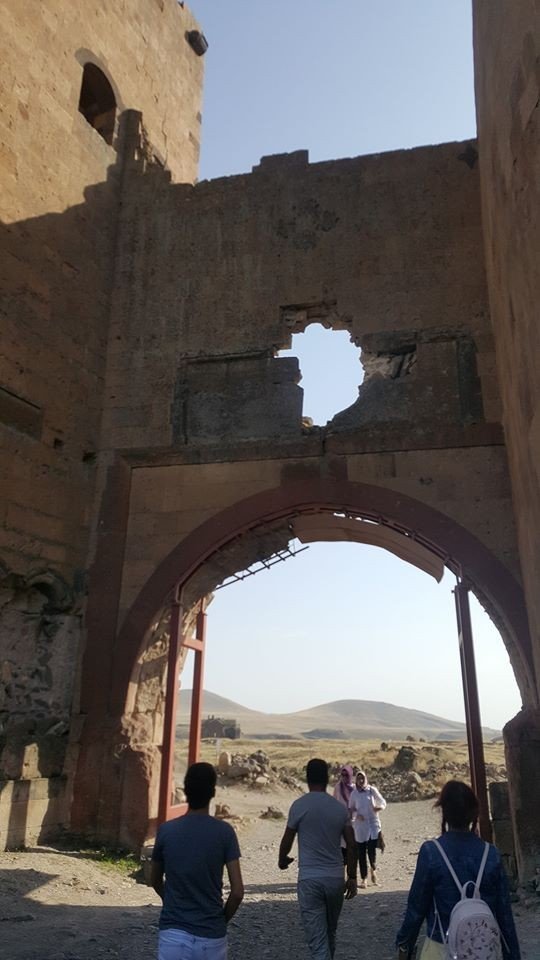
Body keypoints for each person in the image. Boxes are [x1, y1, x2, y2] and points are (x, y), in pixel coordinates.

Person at [395, 780, 521, 959]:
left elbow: (416, 908)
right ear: (473, 814)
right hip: (482, 950)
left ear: (444, 811)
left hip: (440, 946)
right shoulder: (490, 854)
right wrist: (513, 955)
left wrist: (404, 945)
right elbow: (504, 915)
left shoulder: (431, 852)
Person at [150, 762, 244, 960]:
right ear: (213, 792)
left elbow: (155, 879)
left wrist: (172, 902)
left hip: (173, 934)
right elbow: (237, 892)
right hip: (211, 937)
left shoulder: (166, 831)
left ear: (186, 790)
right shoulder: (224, 833)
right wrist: (221, 920)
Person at [278, 757, 357, 960]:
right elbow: (352, 844)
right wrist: (352, 877)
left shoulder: (299, 806)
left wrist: (282, 859)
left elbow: (287, 838)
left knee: (317, 940)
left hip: (310, 879)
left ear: (307, 778)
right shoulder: (339, 809)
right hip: (335, 879)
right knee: (330, 932)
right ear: (327, 778)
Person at [349, 768, 386, 887]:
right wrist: (356, 815)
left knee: (371, 851)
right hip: (360, 827)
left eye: (362, 778)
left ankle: (373, 870)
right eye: (358, 778)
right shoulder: (354, 793)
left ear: (365, 779)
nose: (360, 780)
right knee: (361, 853)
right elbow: (351, 808)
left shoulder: (371, 790)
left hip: (373, 825)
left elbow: (383, 802)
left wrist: (378, 808)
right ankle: (364, 878)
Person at [332, 764, 355, 865]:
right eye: (342, 775)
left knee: (351, 845)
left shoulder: (354, 788)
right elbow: (334, 801)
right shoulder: (338, 787)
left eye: (346, 775)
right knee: (341, 845)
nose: (344, 777)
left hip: (352, 820)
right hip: (341, 819)